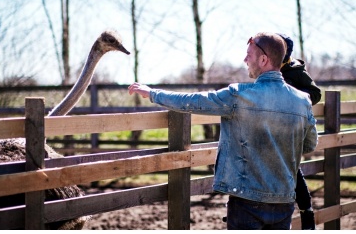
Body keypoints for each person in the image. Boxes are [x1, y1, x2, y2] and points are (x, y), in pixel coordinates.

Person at [128, 32, 318, 230]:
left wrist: (152, 93)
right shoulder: (302, 101)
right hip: (284, 201)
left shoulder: (239, 96)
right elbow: (310, 144)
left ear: (263, 60)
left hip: (246, 200)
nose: (245, 60)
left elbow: (192, 102)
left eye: (249, 55)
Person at [278, 33, 321, 230]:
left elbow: (316, 94)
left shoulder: (295, 71)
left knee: (292, 167)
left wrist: (295, 98)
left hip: (291, 126)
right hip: (273, 124)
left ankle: (306, 210)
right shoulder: (270, 70)